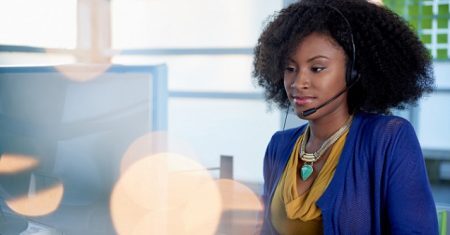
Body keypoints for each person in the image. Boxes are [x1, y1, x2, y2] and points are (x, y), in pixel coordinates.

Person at [252, 0, 439, 234]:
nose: (298, 83)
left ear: (354, 73)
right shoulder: (279, 147)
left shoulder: (388, 139)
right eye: (290, 69)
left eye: (317, 68)